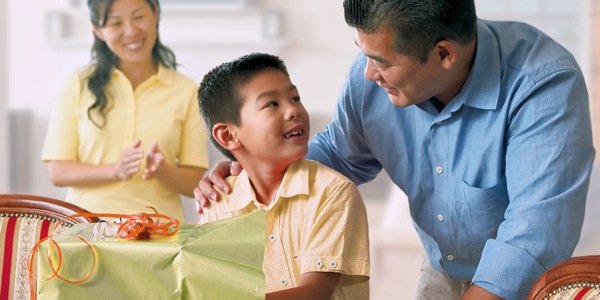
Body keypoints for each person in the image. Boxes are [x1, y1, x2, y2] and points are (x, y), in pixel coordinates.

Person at [194, 0, 596, 299]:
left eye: (380, 61)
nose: (368, 73)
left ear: (443, 54)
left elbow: (533, 235)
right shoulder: (371, 74)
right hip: (441, 271)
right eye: (363, 54)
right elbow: (337, 155)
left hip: (527, 285)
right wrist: (246, 169)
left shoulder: (543, 82)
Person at [197, 52, 370, 299]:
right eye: (272, 104)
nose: (293, 110)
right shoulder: (218, 202)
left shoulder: (333, 192)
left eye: (295, 98)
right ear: (228, 136)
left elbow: (313, 293)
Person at [41, 0, 208, 223]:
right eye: (115, 22)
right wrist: (115, 170)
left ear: (156, 14)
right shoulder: (78, 84)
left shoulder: (186, 90)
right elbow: (58, 172)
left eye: (138, 17)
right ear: (97, 30)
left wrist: (162, 171)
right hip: (86, 229)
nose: (130, 31)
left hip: (160, 231)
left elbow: (194, 184)